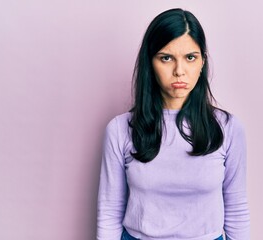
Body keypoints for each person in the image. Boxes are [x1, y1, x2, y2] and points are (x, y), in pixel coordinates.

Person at [97, 8, 250, 240]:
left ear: (202, 62)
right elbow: (110, 209)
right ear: (151, 62)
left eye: (190, 57)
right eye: (166, 58)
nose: (179, 71)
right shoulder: (120, 129)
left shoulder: (228, 129)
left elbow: (236, 207)